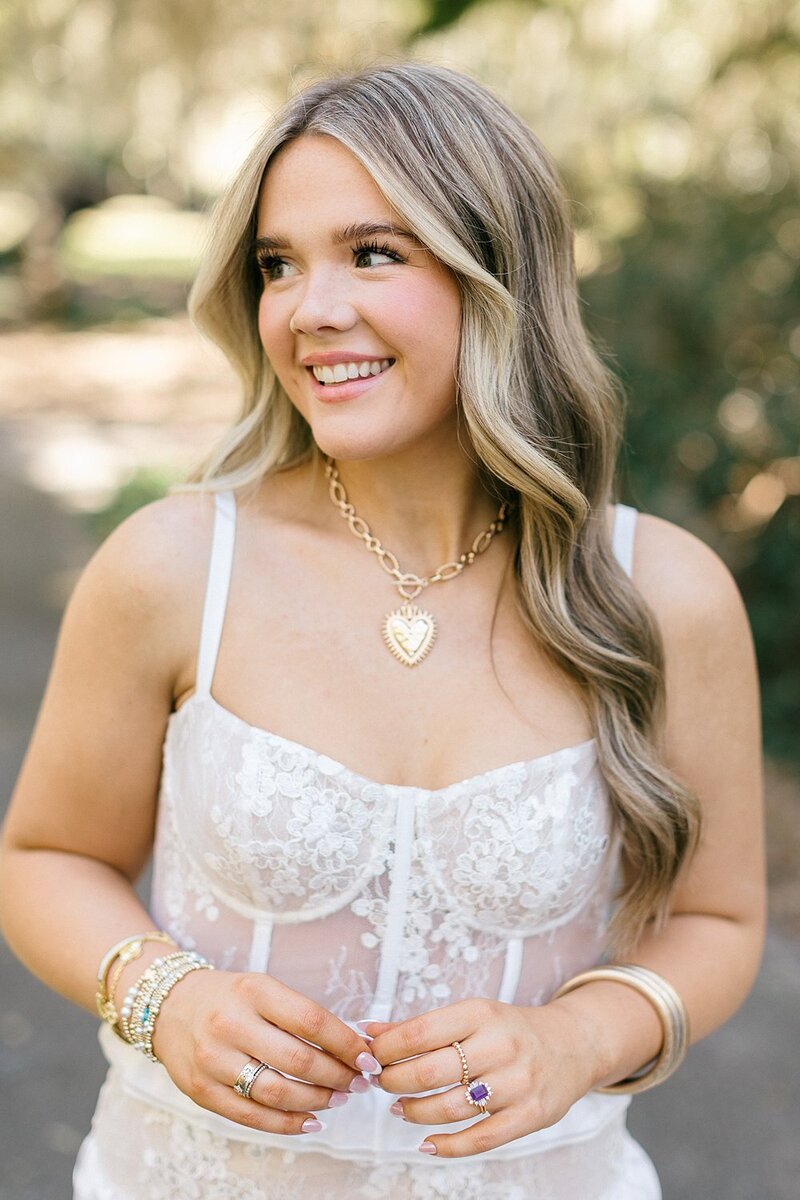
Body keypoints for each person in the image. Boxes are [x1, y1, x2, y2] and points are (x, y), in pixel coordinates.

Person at [0, 62, 765, 1199]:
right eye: (277, 264)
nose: (308, 310)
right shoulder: (172, 567)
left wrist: (576, 1040)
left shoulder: (663, 595)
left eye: (371, 254)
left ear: (496, 274)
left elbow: (718, 918)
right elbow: (47, 858)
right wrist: (166, 995)